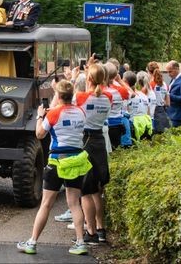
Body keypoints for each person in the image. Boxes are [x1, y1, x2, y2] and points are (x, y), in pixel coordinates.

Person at [16, 80, 90, 255]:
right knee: (74, 204)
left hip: (57, 161)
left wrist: (40, 116)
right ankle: (80, 242)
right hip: (76, 160)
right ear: (71, 95)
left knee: (46, 204)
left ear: (58, 95)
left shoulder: (53, 113)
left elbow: (39, 134)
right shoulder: (81, 112)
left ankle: (32, 243)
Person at [75, 64, 112, 244]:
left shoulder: (81, 97)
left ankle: (90, 232)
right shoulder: (109, 97)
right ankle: (101, 228)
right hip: (99, 141)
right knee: (97, 190)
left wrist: (76, 77)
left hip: (85, 140)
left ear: (88, 78)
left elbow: (70, 97)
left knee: (85, 191)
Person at [147, 62, 170, 133]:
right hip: (163, 111)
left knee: (154, 133)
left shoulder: (150, 84)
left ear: (148, 72)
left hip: (153, 111)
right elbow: (168, 101)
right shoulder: (164, 83)